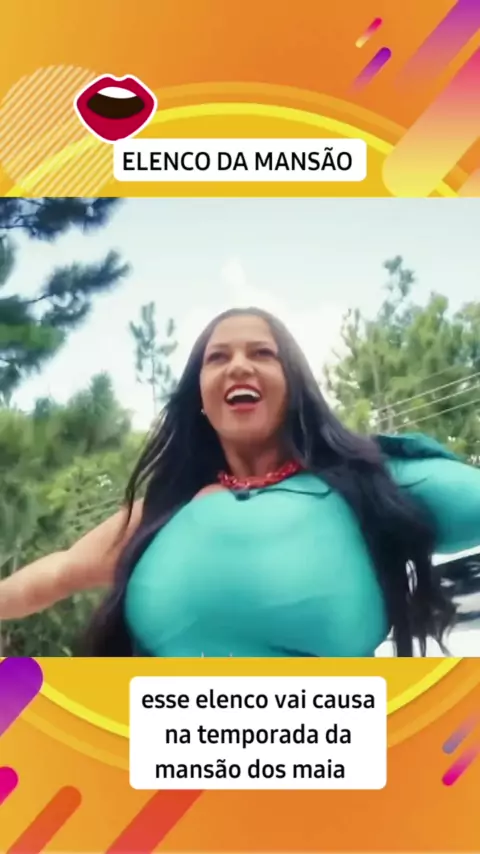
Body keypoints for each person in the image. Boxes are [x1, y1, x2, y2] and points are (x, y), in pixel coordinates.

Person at [1, 307, 479, 658]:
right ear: (200, 398)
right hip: (169, 765)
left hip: (336, 760)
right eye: (217, 357)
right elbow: (55, 574)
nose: (238, 366)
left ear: (294, 386)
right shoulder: (163, 513)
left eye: (262, 353)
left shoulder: (371, 483)